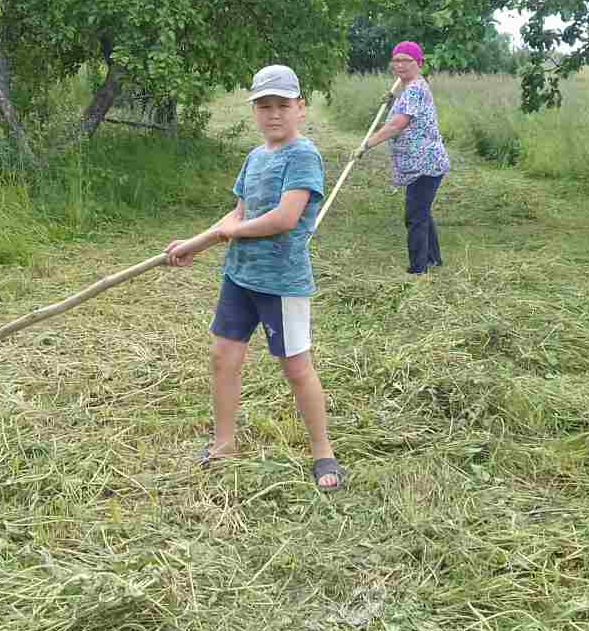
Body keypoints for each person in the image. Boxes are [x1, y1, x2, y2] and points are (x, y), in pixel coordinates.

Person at [162, 64, 342, 491]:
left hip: (280, 283)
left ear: (300, 107)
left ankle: (323, 452)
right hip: (239, 277)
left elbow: (285, 217)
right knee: (224, 357)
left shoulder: (304, 156)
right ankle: (224, 444)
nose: (273, 114)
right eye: (265, 106)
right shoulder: (255, 158)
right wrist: (197, 242)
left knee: (296, 370)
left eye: (282, 105)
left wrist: (230, 233)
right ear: (255, 111)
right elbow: (238, 214)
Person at [354, 40, 450, 274]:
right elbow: (401, 111)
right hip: (419, 163)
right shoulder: (408, 89)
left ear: (418, 63)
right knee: (422, 212)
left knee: (415, 216)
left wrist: (366, 145)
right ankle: (433, 259)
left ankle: (418, 269)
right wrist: (392, 100)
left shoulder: (415, 88)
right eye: (396, 60)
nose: (400, 65)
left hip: (425, 163)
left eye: (406, 60)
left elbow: (397, 124)